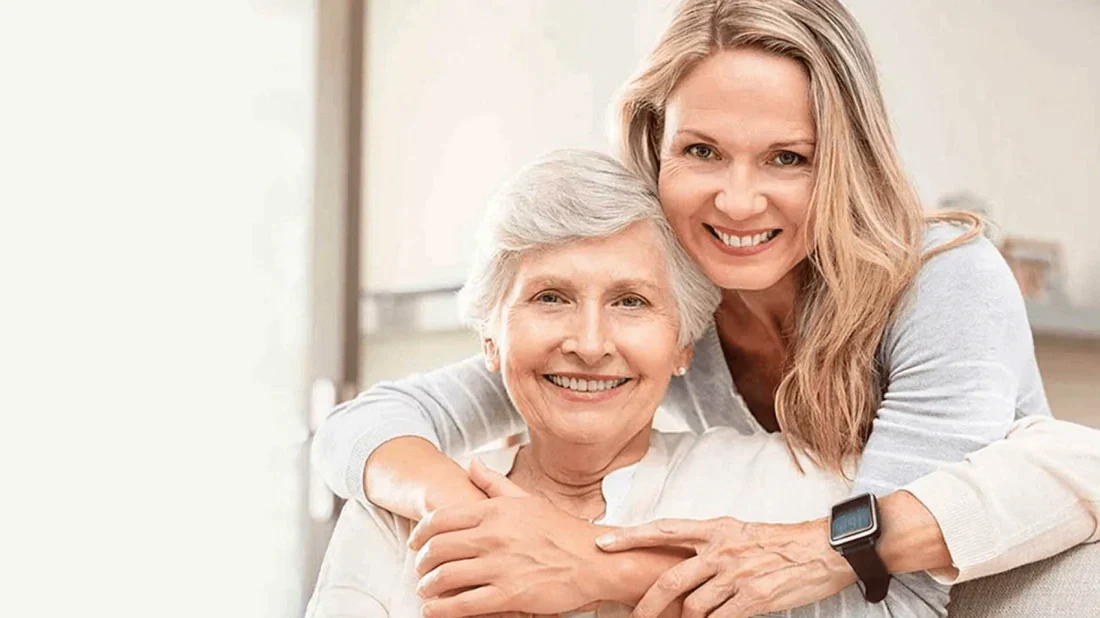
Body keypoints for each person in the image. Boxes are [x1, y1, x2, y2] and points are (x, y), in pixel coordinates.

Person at [313, 1, 1100, 616]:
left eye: (787, 158)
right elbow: (363, 426)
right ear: (656, 145)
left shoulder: (941, 280)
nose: (738, 197)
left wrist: (587, 562)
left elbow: (890, 596)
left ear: (844, 164)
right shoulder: (668, 301)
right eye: (702, 150)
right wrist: (480, 523)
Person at [309, 149, 922, 617]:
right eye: (551, 297)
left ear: (684, 344)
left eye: (631, 302)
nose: (591, 343)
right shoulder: (394, 512)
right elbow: (353, 430)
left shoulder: (791, 484)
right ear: (490, 339)